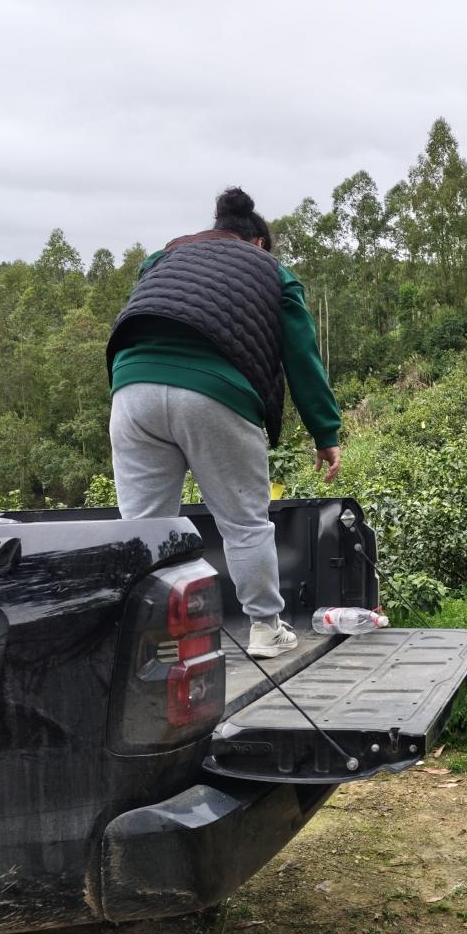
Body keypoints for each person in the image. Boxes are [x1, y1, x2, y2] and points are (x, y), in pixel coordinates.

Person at [105, 187, 341, 659]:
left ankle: (149, 641)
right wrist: (325, 432)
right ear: (257, 244)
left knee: (144, 529)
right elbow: (301, 355)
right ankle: (265, 629)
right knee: (244, 523)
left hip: (132, 389)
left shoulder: (163, 257)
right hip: (216, 391)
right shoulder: (273, 271)